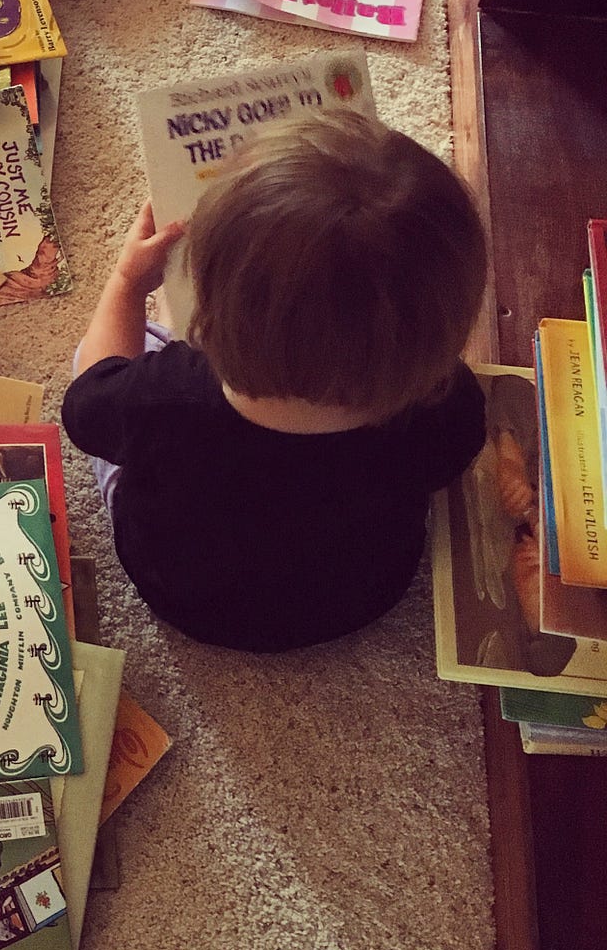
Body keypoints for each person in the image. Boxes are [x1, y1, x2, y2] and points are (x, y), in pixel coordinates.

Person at [62, 109, 488, 651]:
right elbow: (446, 463)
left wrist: (126, 283)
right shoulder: (446, 409)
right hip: (363, 596)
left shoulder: (164, 396)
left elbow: (87, 404)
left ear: (209, 312)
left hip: (179, 593)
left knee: (103, 352)